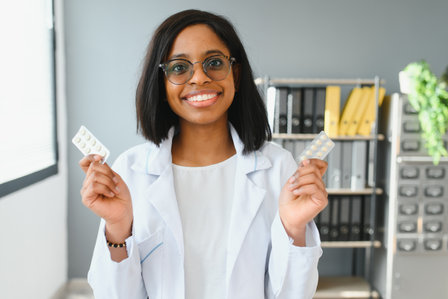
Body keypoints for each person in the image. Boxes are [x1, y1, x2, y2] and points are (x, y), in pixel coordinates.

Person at [79, 9, 328, 299]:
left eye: (214, 63)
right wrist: (118, 228)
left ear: (235, 72)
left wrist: (295, 229)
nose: (199, 78)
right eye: (179, 67)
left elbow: (292, 296)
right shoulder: (130, 170)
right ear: (161, 81)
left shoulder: (278, 168)